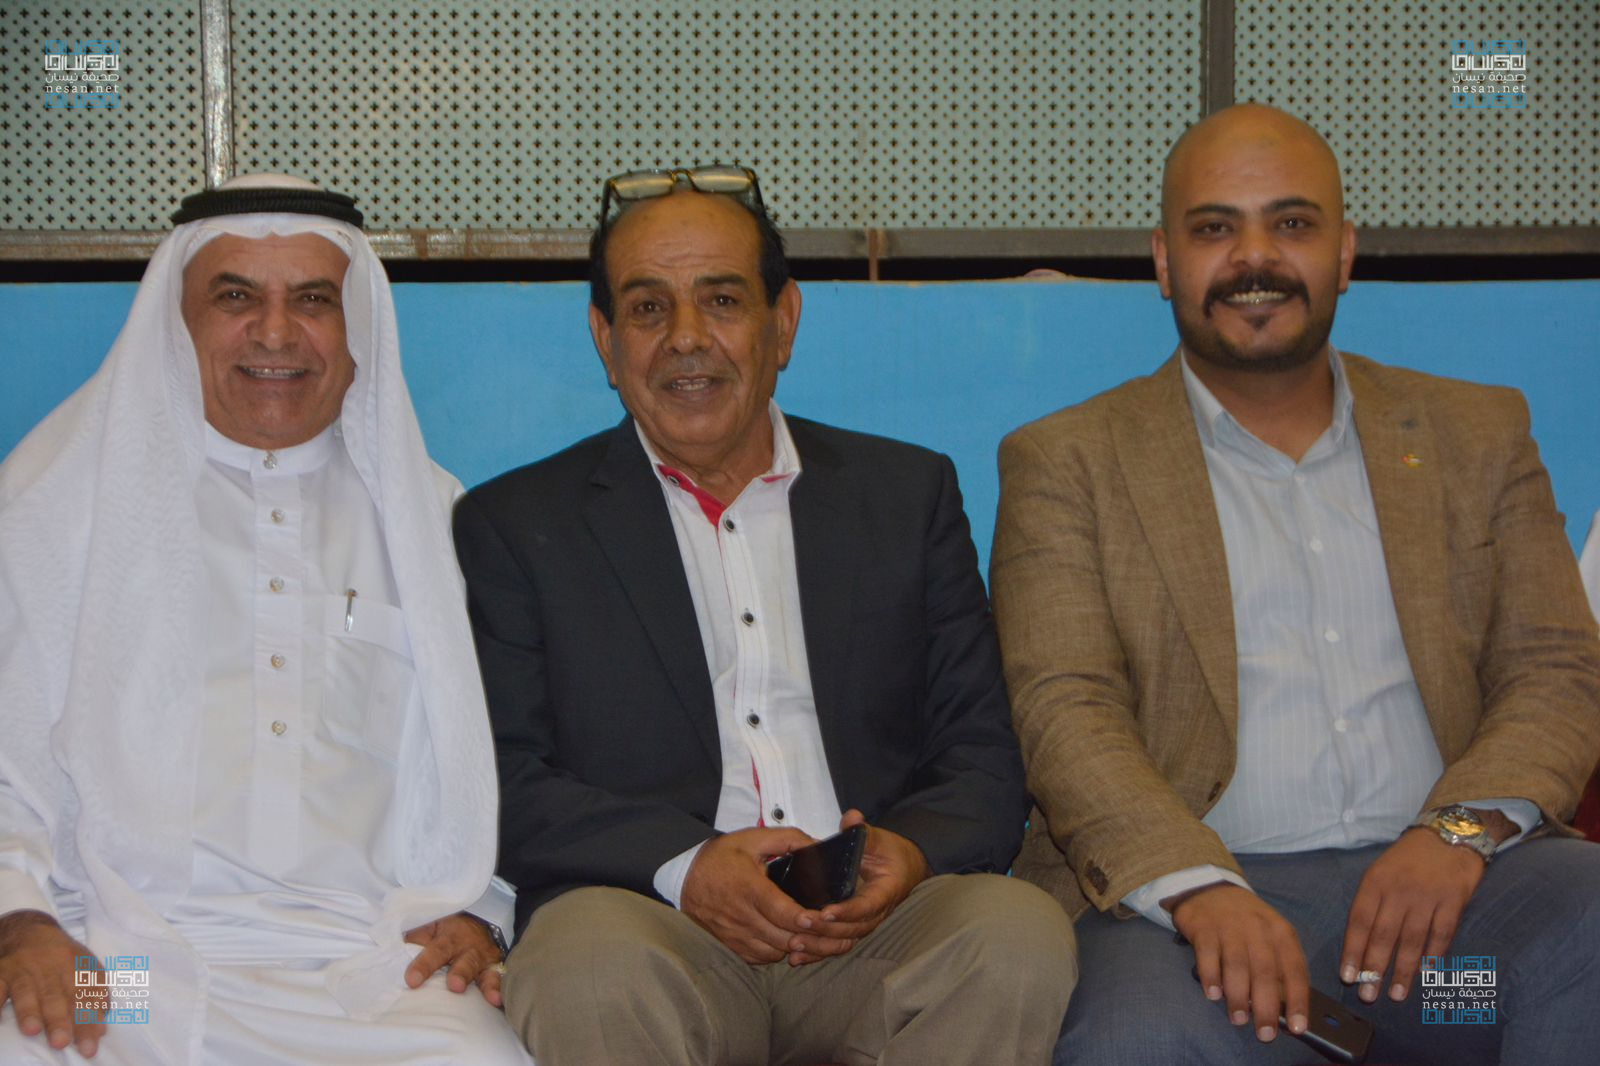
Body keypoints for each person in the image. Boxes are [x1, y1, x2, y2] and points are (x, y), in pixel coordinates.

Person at [990, 104, 1600, 1065]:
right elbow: (1064, 709)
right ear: (1164, 261)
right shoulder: (1068, 462)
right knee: (1142, 1041)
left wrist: (1455, 833)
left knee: (1582, 940)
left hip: (1444, 948)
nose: (1255, 258)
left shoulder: (1476, 434)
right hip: (1201, 941)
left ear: (1344, 252)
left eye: (1292, 223)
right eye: (1215, 228)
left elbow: (1556, 669)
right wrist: (1199, 888)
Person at [453, 165, 1076, 1065]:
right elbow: (501, 779)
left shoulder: (905, 497)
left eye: (722, 300)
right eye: (648, 308)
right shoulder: (516, 525)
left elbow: (982, 753)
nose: (686, 339)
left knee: (1014, 935)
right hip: (653, 922)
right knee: (581, 967)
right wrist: (689, 866)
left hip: (874, 929)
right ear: (605, 338)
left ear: (783, 321)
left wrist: (907, 854)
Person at [0, 176, 530, 1065]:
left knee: (479, 1059)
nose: (276, 333)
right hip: (125, 962)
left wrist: (479, 909)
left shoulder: (433, 522)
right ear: (178, 324)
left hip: (363, 967)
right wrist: (20, 921)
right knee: (28, 1046)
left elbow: (498, 766)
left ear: (356, 333)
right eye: (235, 297)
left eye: (313, 300)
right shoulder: (57, 506)